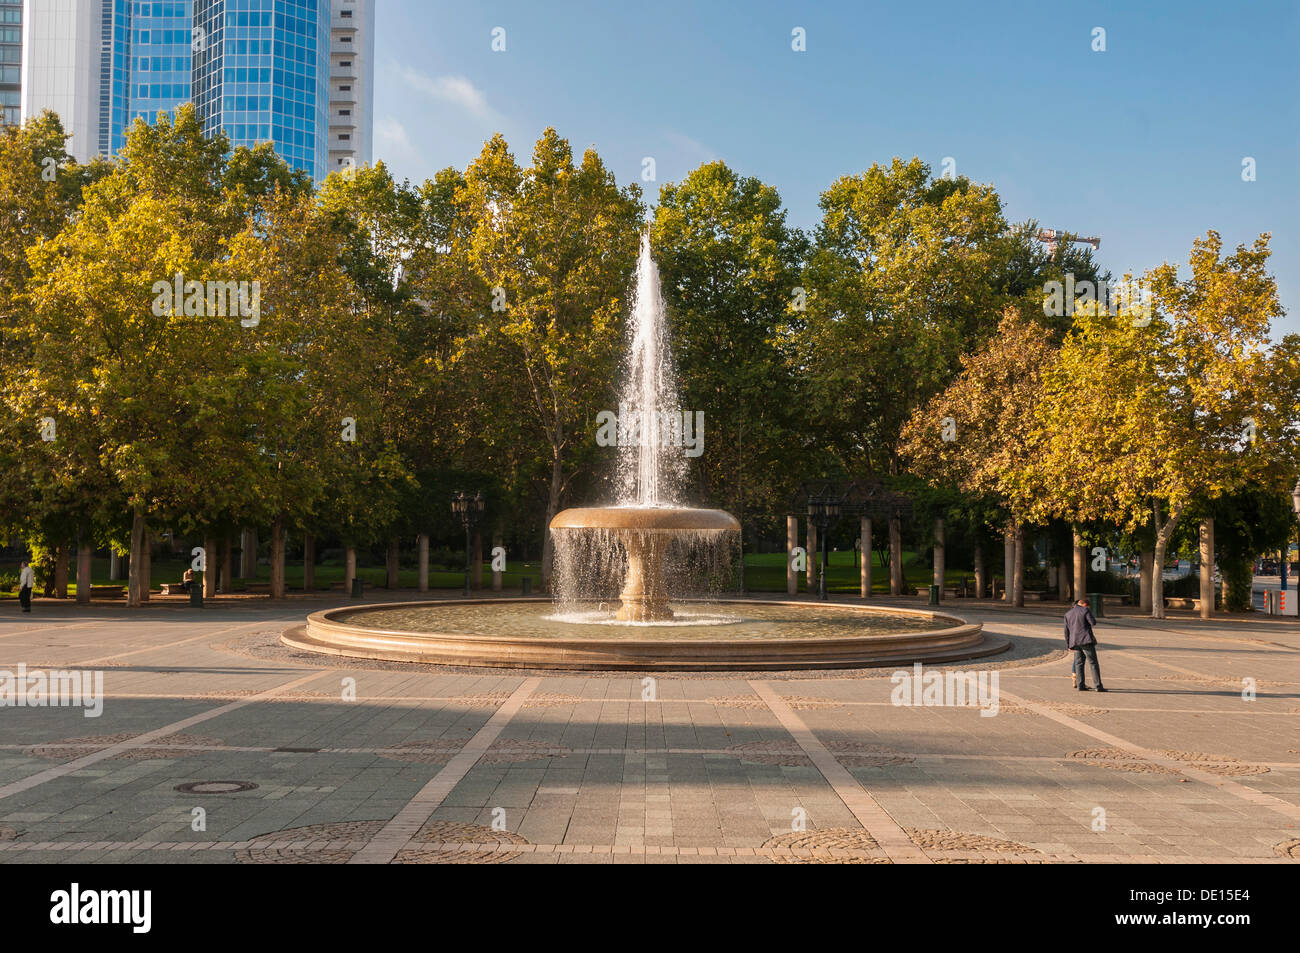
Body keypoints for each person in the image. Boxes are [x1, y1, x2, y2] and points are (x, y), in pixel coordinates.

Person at [1064, 597, 1106, 691]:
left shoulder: (1068, 613)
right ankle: (1098, 686)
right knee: (1093, 663)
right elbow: (1093, 622)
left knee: (1079, 663)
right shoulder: (1085, 610)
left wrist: (1069, 645)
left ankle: (1080, 685)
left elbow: (1066, 632)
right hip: (1086, 640)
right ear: (1085, 604)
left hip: (1074, 642)